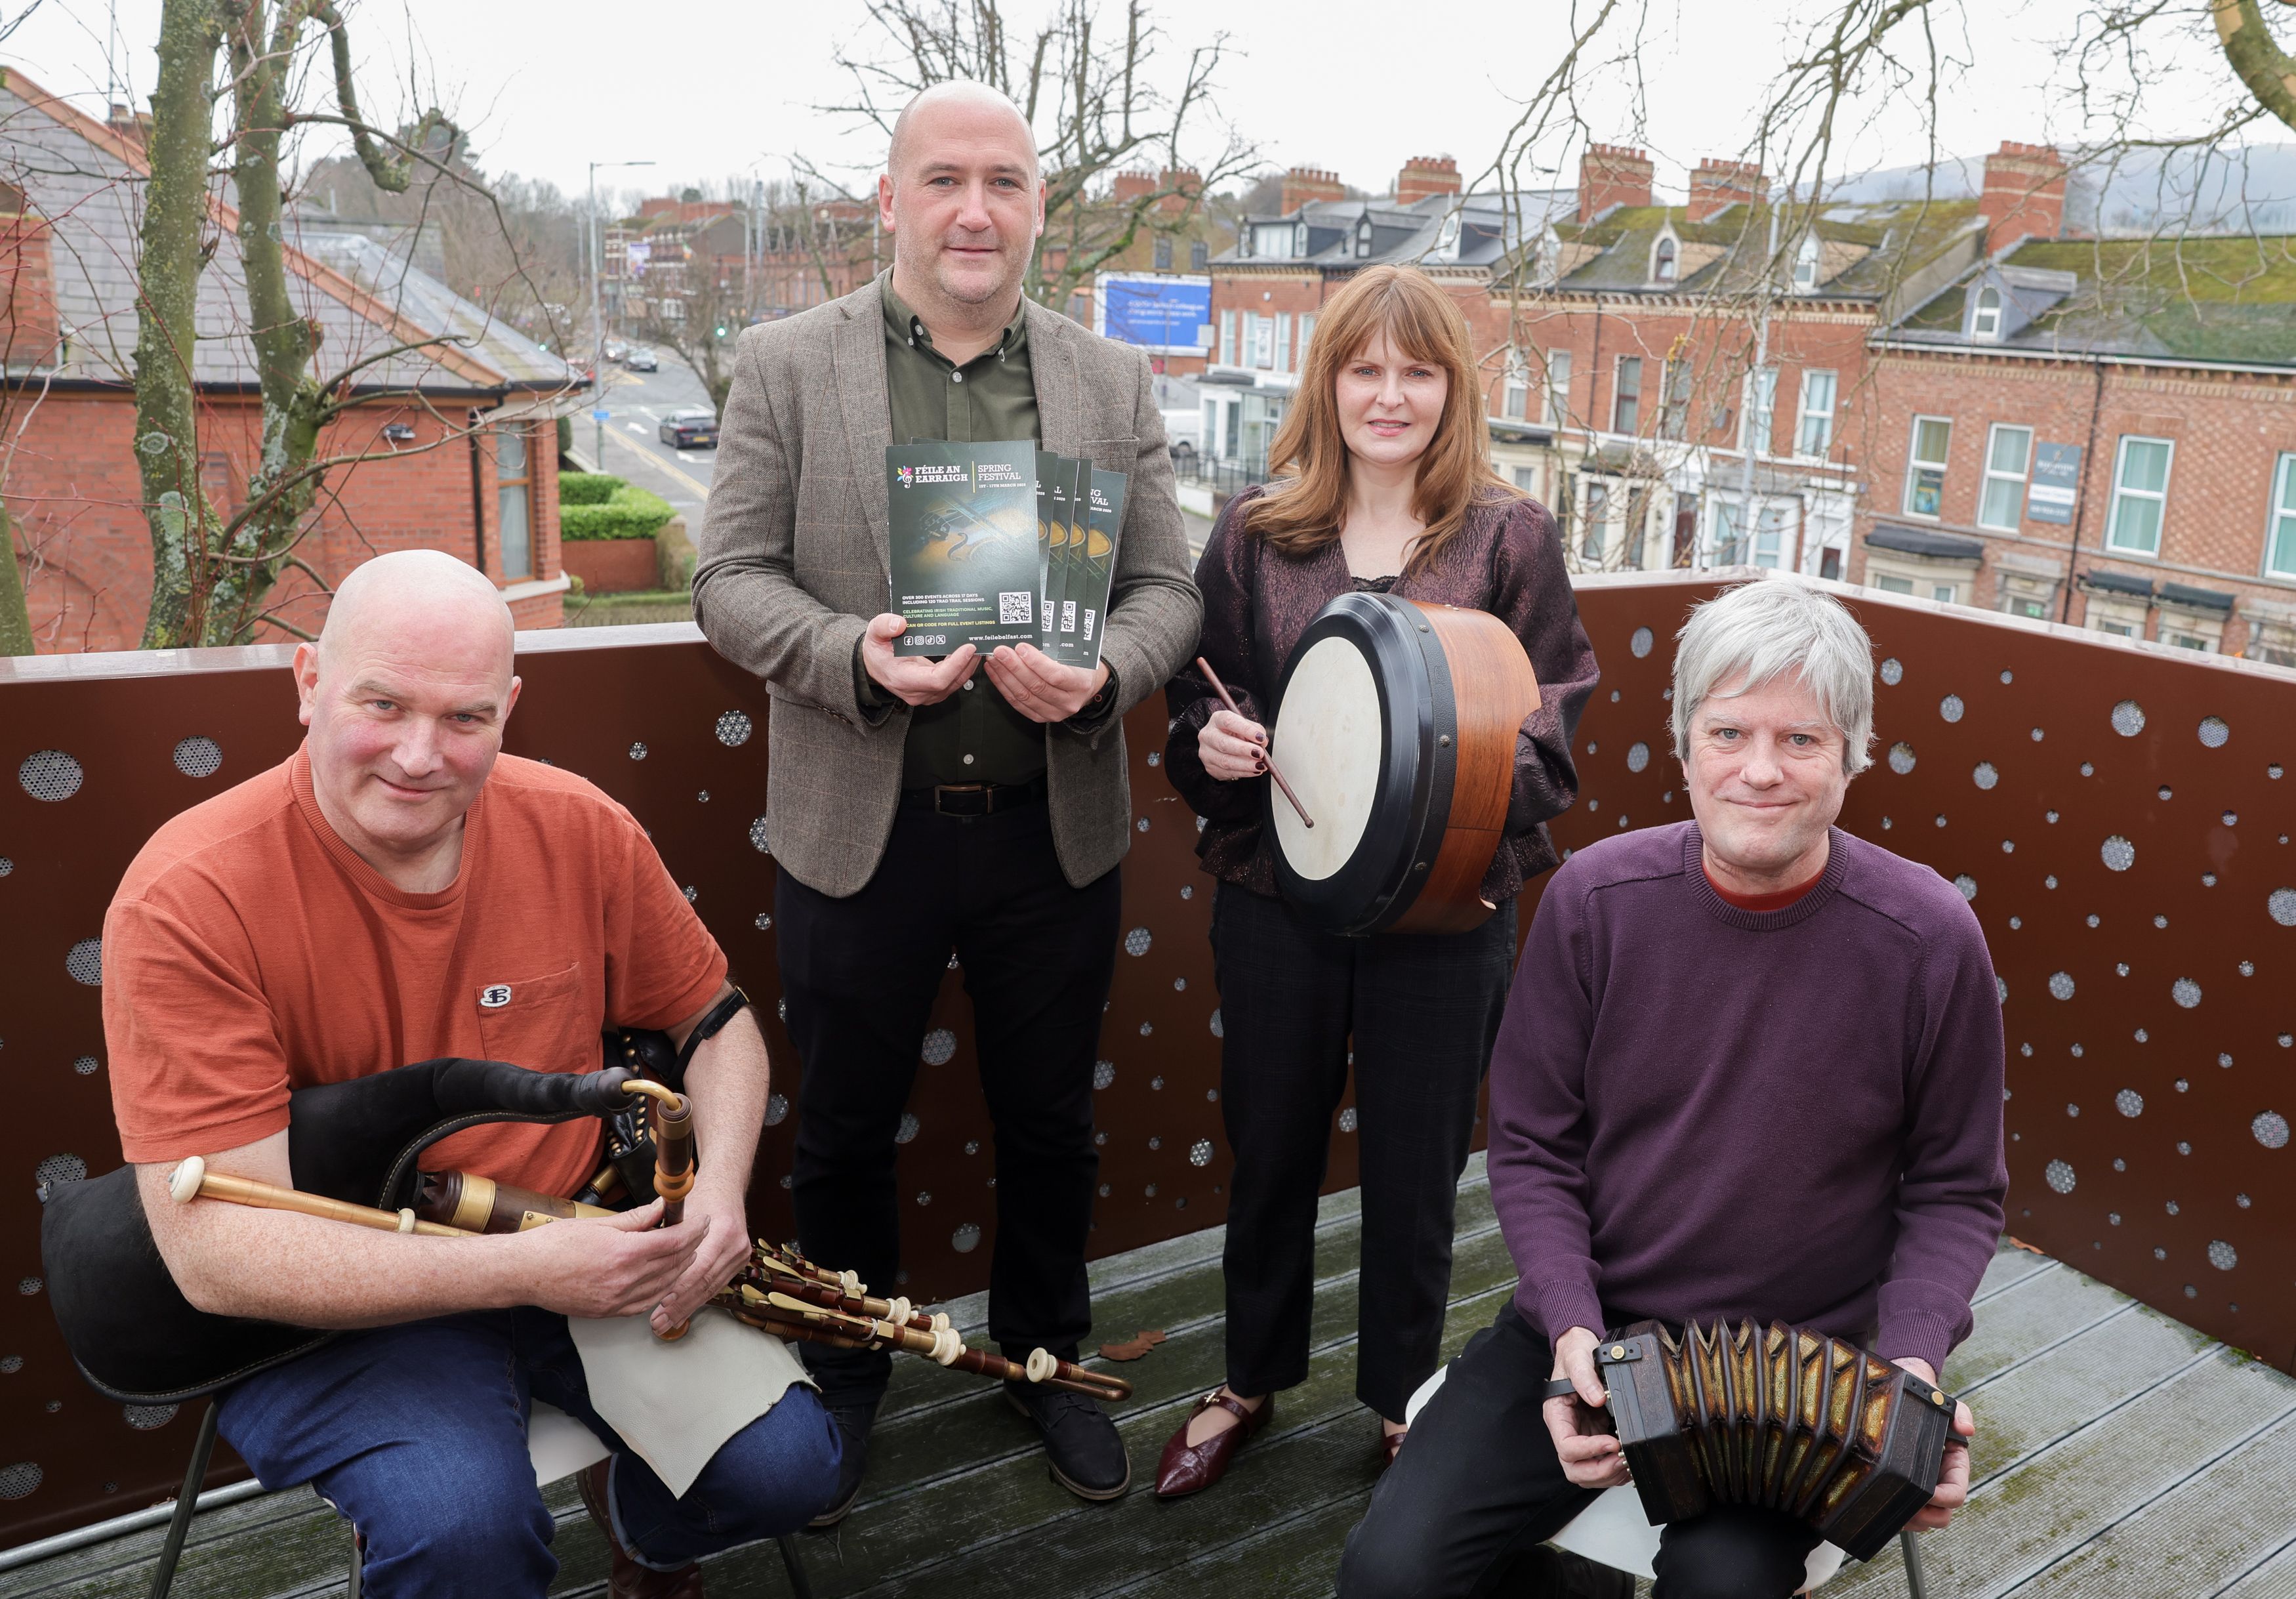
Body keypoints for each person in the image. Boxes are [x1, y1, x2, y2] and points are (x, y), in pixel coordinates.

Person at [108, 550, 838, 1599]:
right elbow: (218, 1249)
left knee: (796, 1468)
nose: (420, 754)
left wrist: (719, 1191)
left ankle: (647, 1533)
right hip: (334, 1297)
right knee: (465, 1537)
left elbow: (717, 1020)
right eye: (383, 703)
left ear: (512, 707)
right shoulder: (188, 895)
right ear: (308, 682)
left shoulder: (578, 825)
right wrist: (529, 1273)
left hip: (572, 1233)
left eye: (465, 718)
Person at [693, 81, 1201, 1518]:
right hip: (862, 829)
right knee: (845, 1124)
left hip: (1054, 829)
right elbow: (725, 579)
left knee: (1051, 1121)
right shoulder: (787, 363)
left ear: (1039, 205)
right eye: (944, 181)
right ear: (892, 200)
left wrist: (1103, 679)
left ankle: (1047, 1356)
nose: (974, 210)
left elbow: (1171, 588)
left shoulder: (1111, 383)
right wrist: (845, 653)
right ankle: (847, 1375)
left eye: (1005, 182)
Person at [1336, 579, 2004, 1598]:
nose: (1761, 771)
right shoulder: (1594, 902)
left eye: (1803, 740)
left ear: (1853, 755)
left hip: (1792, 1375)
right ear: (1683, 745)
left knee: (1722, 1588)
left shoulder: (1930, 939)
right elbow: (1532, 1145)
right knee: (1389, 1576)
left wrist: (1910, 1369)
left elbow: (1956, 1189)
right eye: (1728, 731)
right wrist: (1569, 1330)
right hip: (1590, 1328)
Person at [1155, 264, 1600, 1498]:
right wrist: (1214, 745)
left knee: (1417, 1171)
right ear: (1329, 382)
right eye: (1365, 368)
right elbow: (1201, 696)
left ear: (1451, 389)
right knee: (1272, 1147)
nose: (1390, 395)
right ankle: (1248, 1377)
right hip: (1272, 896)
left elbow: (1555, 726)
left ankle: (1405, 1402)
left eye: (1418, 370)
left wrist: (1435, 803)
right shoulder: (1254, 528)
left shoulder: (1510, 536)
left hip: (1448, 913)